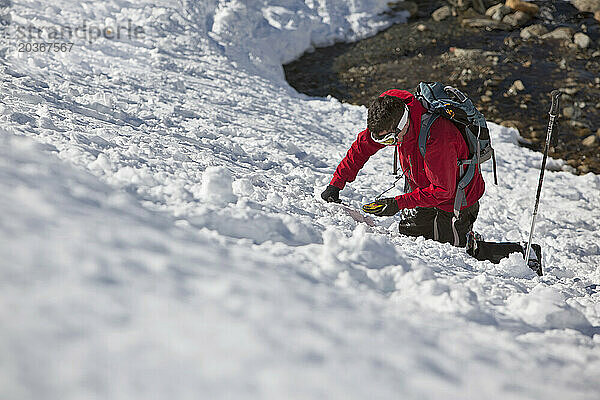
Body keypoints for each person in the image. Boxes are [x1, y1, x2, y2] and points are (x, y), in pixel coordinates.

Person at [320, 89, 485, 247]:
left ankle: (475, 243)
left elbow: (443, 190)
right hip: (422, 192)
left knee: (453, 252)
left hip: (455, 201)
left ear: (403, 124)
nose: (387, 144)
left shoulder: (437, 138)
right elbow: (361, 148)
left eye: (390, 140)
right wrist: (336, 183)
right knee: (411, 240)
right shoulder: (388, 114)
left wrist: (397, 203)